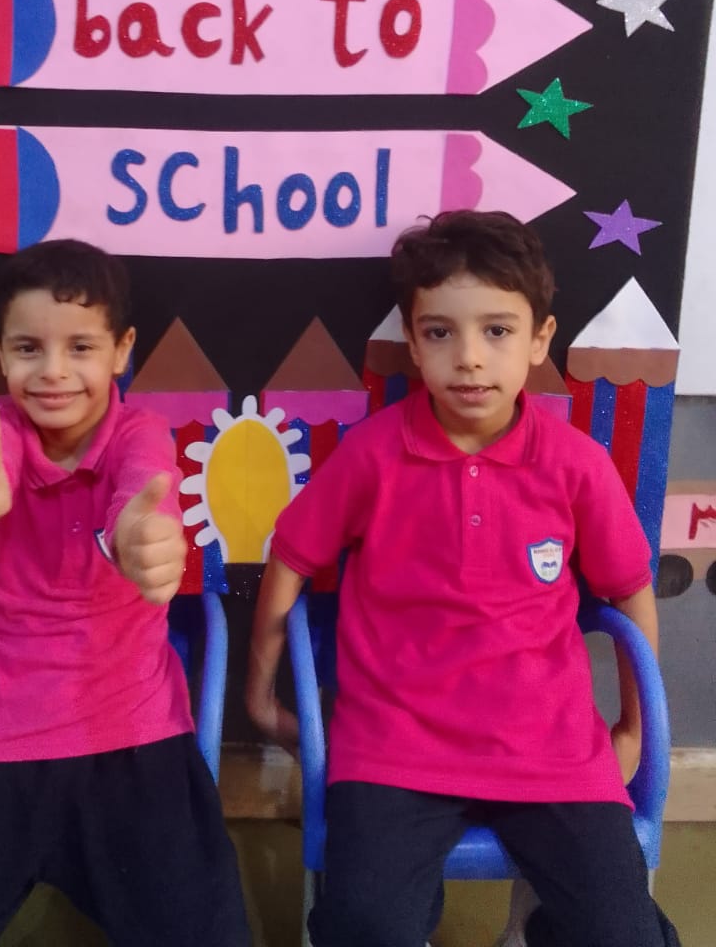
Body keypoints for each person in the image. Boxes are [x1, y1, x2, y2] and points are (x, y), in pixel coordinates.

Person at [246, 210, 680, 947]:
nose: (470, 358)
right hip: (394, 749)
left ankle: (538, 922)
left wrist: (635, 728)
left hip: (552, 751)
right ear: (414, 343)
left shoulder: (576, 464)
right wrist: (260, 701)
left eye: (498, 330)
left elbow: (629, 590)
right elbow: (292, 557)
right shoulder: (372, 455)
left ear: (540, 338)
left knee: (621, 933)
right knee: (365, 925)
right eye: (441, 332)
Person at [0, 238, 249, 947]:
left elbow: (141, 487)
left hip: (133, 739)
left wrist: (138, 535)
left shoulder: (139, 433)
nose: (54, 372)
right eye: (29, 348)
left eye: (81, 347)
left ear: (122, 350)